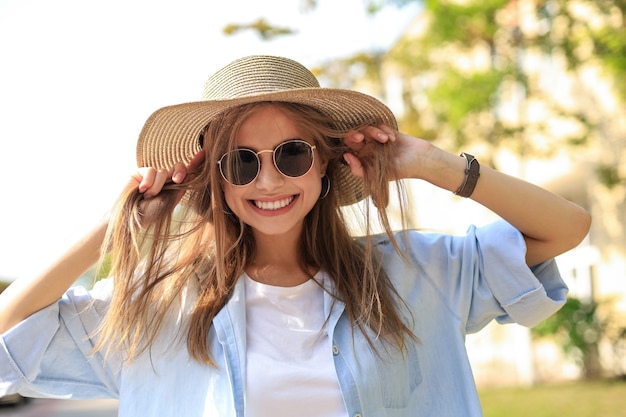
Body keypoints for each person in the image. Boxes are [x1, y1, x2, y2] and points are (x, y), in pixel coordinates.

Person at [0, 55, 590, 416]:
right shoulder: (155, 308)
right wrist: (121, 218)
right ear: (214, 180)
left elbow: (566, 228)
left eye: (291, 153)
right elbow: (7, 327)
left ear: (326, 161)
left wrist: (433, 164)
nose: (269, 179)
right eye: (240, 162)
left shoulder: (416, 272)